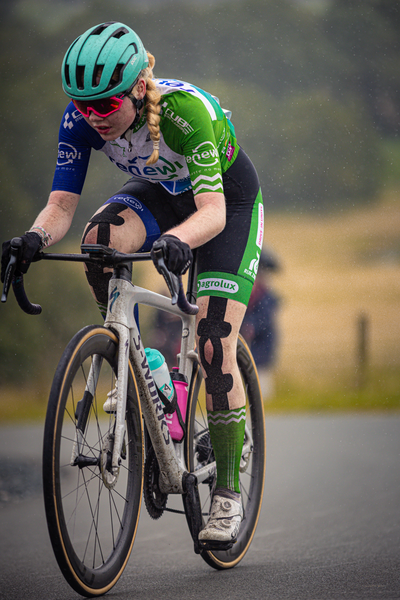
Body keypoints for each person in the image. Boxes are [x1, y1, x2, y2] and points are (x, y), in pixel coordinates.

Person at [1, 22, 264, 550]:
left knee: (214, 343)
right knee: (99, 239)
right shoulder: (81, 118)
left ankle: (229, 494)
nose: (92, 118)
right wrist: (33, 236)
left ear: (138, 89)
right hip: (161, 192)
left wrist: (175, 240)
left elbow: (210, 212)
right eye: (82, 105)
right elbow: (62, 207)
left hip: (225, 205)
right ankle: (145, 367)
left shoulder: (184, 116)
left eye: (104, 107)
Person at [240, 249, 281, 399]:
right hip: (248, 349)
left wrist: (252, 327)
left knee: (261, 388)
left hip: (262, 350)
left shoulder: (266, 298)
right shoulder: (251, 297)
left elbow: (265, 320)